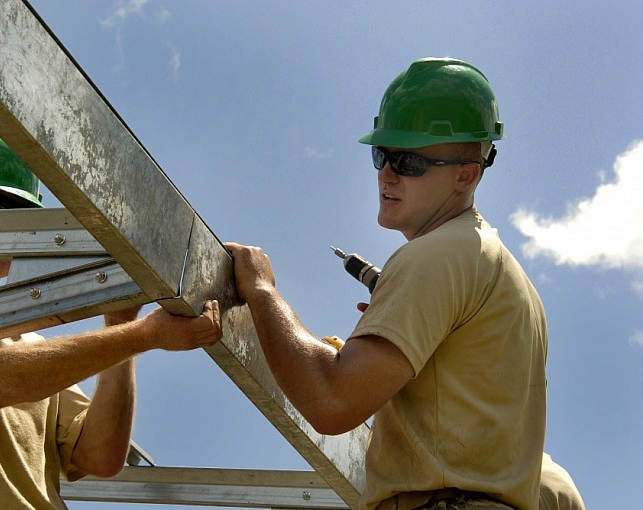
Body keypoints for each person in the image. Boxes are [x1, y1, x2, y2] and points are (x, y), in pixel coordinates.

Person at [225, 58, 548, 510]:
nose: (387, 173)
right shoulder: (499, 271)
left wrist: (262, 292)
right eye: (382, 154)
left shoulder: (436, 256)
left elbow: (332, 402)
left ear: (466, 174)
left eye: (410, 160)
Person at [0, 125, 223, 509]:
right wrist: (143, 336)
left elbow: (99, 456)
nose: (15, 228)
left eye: (24, 214)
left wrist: (120, 327)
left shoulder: (32, 348)